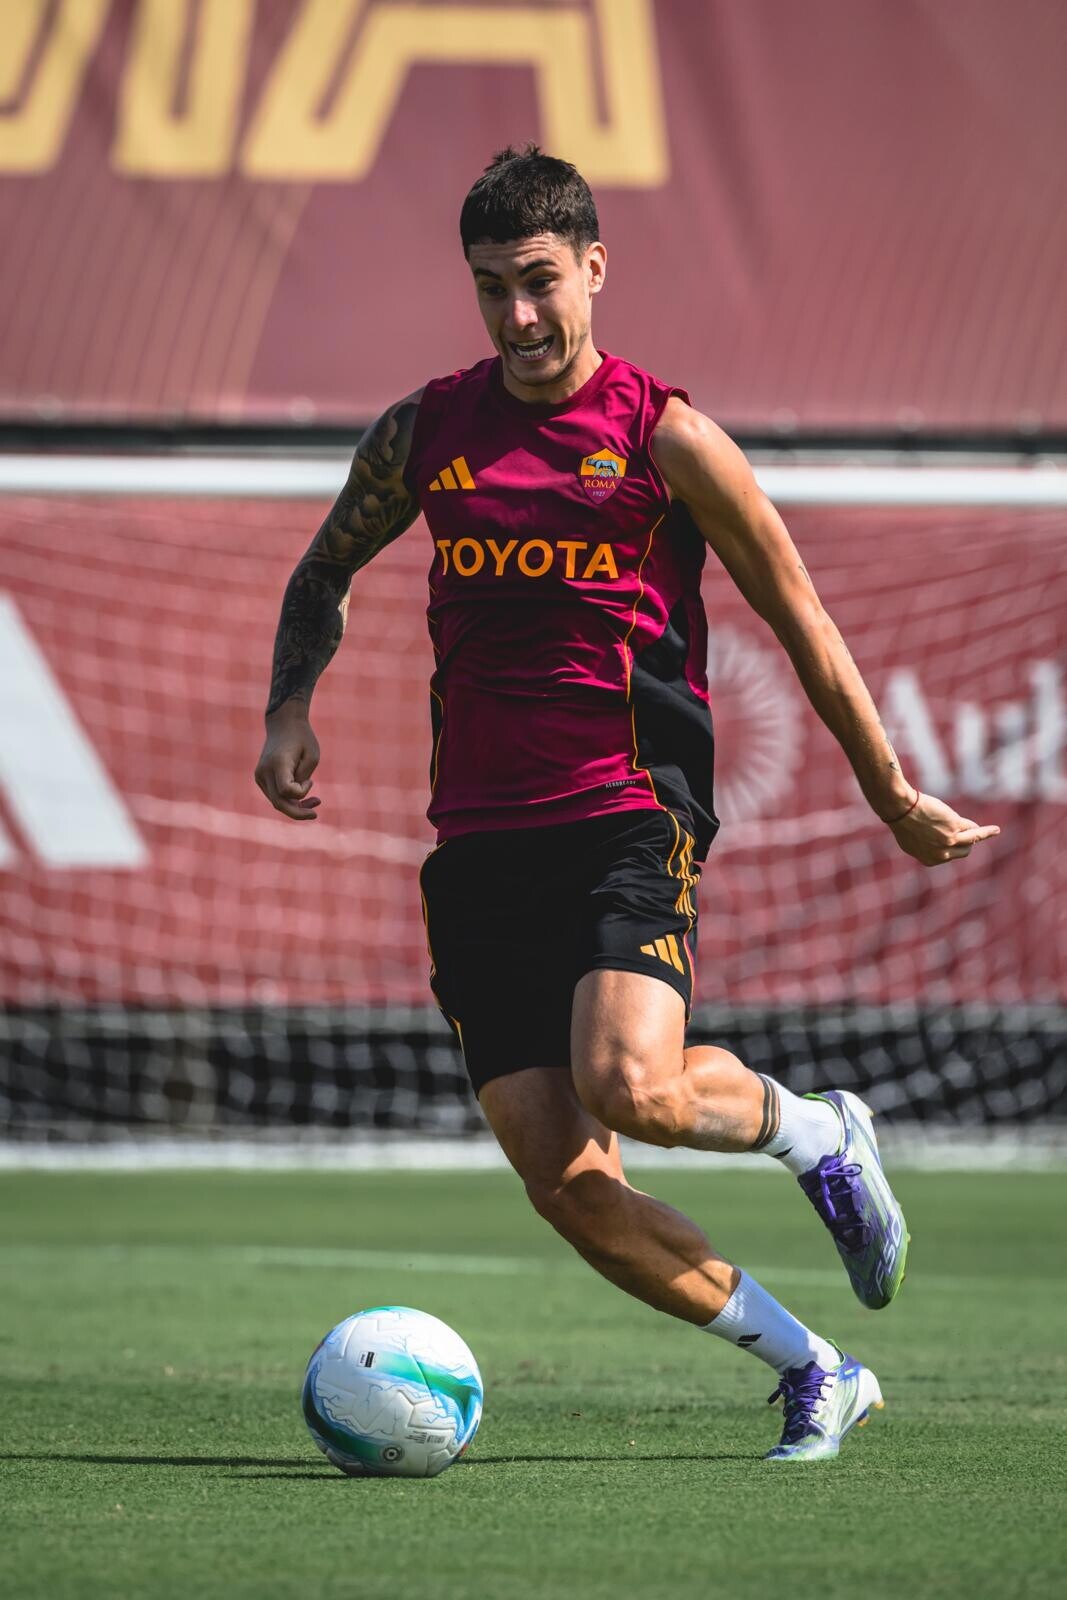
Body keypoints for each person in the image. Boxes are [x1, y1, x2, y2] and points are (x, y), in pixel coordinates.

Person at [255, 146, 999, 1462]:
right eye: (492, 287)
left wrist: (890, 790)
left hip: (626, 815)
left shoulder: (667, 438)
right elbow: (324, 570)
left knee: (634, 1085)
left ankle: (818, 1132)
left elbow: (801, 616)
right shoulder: (427, 432)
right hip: (476, 847)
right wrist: (288, 708)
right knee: (571, 1185)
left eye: (540, 281)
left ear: (595, 268)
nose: (518, 315)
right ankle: (819, 1369)